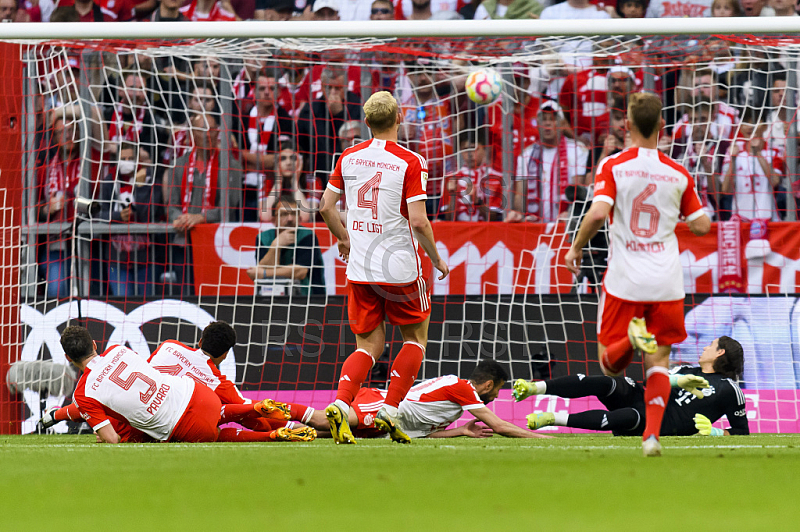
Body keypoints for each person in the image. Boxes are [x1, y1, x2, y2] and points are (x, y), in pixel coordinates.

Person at [564, 92, 712, 456]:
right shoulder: (678, 173)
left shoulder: (613, 165)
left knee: (608, 366)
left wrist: (576, 246)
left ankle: (631, 340)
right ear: (662, 128)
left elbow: (598, 213)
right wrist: (682, 212)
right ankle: (652, 437)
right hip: (666, 280)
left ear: (627, 126)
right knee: (659, 363)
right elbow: (703, 226)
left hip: (625, 279)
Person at [318, 91, 449, 444]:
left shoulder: (348, 156)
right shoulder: (411, 161)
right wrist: (436, 258)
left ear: (366, 122)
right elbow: (419, 222)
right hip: (400, 269)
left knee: (368, 347)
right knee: (415, 339)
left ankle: (342, 405)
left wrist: (344, 238)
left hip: (360, 269)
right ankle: (390, 410)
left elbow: (325, 206)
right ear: (400, 117)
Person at [59, 325, 315, 443]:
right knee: (222, 412)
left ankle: (270, 437)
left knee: (214, 435)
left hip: (179, 424)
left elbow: (111, 438)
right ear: (95, 345)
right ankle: (258, 410)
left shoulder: (85, 392)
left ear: (68, 358)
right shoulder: (119, 350)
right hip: (196, 393)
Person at [514, 337, 749, 437]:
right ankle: (536, 387)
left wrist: (717, 432)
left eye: (710, 345)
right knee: (606, 382)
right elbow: (651, 383)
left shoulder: (730, 389)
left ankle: (552, 418)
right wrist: (678, 380)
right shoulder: (686, 369)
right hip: (641, 395)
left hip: (660, 421)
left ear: (720, 353)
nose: (704, 348)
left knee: (626, 416)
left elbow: (742, 432)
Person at [307, 359, 551, 439]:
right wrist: (540, 437)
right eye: (497, 389)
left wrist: (461, 432)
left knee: (322, 433)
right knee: (322, 422)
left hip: (393, 422)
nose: (497, 395)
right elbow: (499, 426)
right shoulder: (462, 388)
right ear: (488, 385)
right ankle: (276, 410)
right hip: (382, 405)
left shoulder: (453, 406)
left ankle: (276, 426)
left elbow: (423, 433)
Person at [167, 113, 225, 296]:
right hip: (183, 241)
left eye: (212, 130)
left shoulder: (230, 165)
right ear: (192, 134)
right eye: (202, 130)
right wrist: (181, 219)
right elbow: (171, 205)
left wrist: (201, 218)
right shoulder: (179, 165)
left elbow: (229, 209)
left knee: (211, 294)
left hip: (214, 243)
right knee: (185, 295)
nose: (208, 135)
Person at [98, 142, 163, 297]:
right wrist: (118, 217)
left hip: (145, 258)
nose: (127, 161)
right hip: (116, 260)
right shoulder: (108, 182)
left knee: (146, 303)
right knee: (121, 301)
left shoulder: (150, 180)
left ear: (137, 160)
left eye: (130, 158)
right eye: (123, 158)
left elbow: (151, 212)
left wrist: (140, 188)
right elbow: (98, 214)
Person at [509, 101, 589, 223]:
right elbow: (520, 195)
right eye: (543, 119)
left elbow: (577, 191)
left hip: (565, 225)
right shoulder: (526, 155)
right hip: (534, 226)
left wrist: (571, 212)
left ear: (561, 124)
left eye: (552, 119)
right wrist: (519, 214)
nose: (547, 123)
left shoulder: (578, 150)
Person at [247, 195, 327, 296]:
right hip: (271, 297)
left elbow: (300, 272)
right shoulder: (263, 238)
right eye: (284, 214)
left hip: (309, 299)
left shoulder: (308, 236)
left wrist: (264, 274)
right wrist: (276, 246)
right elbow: (266, 267)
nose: (290, 219)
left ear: (300, 218)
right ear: (273, 220)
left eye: (294, 214)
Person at [720, 114, 782, 222]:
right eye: (745, 123)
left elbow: (775, 182)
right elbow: (726, 190)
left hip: (769, 219)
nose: (749, 127)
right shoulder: (733, 150)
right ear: (740, 127)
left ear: (764, 126)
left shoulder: (774, 149)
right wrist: (733, 160)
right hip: (740, 219)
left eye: (753, 122)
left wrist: (757, 152)